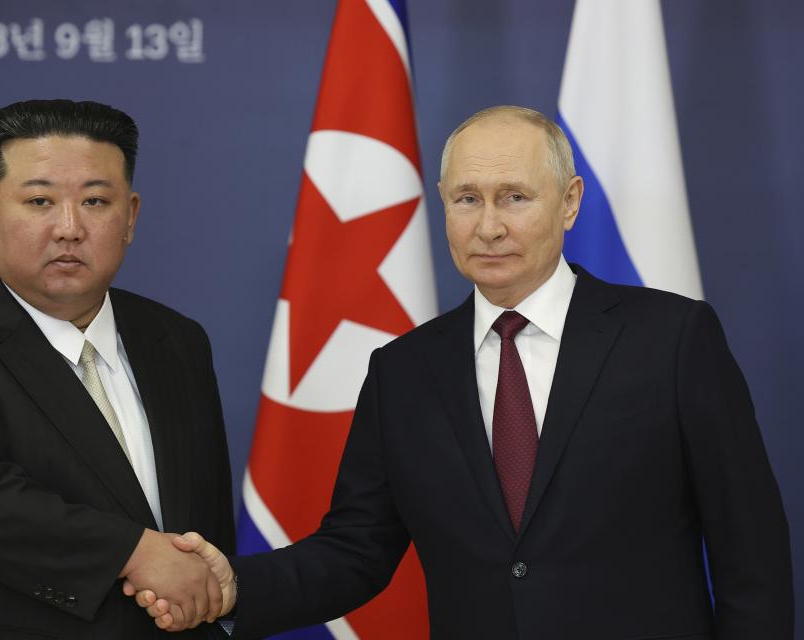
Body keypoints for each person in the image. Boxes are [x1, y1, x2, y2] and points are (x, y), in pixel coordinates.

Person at [133, 106, 794, 639]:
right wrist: (234, 588)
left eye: (514, 197)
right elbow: (356, 550)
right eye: (467, 199)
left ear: (568, 204)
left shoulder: (672, 338)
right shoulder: (404, 371)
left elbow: (751, 554)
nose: (488, 227)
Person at [0, 99, 235, 639]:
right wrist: (134, 552)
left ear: (130, 218)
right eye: (39, 200)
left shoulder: (177, 339)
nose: (68, 228)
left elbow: (202, 528)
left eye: (95, 201)